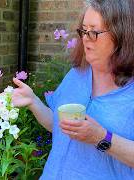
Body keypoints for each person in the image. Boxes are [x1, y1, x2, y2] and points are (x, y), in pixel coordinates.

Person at [11, 0, 134, 179]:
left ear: (122, 35)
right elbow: (59, 126)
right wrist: (33, 101)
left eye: (93, 31)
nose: (85, 38)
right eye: (83, 30)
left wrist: (101, 137)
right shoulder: (76, 75)